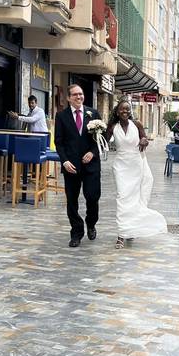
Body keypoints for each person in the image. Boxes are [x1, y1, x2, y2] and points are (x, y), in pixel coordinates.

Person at [105, 100, 167, 248]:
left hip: (136, 165)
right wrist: (96, 131)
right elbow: (103, 142)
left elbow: (144, 139)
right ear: (117, 111)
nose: (125, 112)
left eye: (127, 109)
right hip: (120, 166)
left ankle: (129, 230)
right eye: (122, 109)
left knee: (134, 199)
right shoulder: (113, 127)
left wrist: (144, 141)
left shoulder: (137, 124)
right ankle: (121, 234)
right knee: (122, 197)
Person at [53, 85, 103, 248]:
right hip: (71, 166)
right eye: (75, 95)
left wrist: (93, 153)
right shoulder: (61, 116)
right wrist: (65, 161)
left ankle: (91, 223)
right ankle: (76, 232)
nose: (79, 97)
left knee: (93, 197)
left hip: (91, 165)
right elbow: (58, 142)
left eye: (81, 94)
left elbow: (100, 140)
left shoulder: (93, 114)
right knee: (72, 200)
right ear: (68, 98)